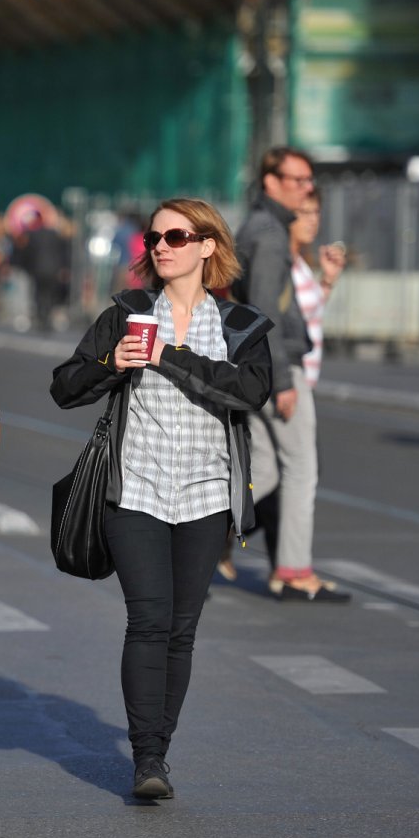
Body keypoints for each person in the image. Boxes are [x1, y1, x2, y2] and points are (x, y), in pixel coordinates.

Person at [50, 198, 272, 800]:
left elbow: (251, 392)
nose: (163, 247)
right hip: (136, 489)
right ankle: (147, 758)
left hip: (206, 495)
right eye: (154, 238)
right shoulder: (125, 314)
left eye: (177, 236)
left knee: (181, 628)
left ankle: (160, 746)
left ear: (207, 246)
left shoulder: (239, 325)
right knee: (148, 621)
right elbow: (64, 387)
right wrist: (109, 363)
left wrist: (168, 357)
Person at [233, 147, 342, 600]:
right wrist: (280, 379)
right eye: (298, 181)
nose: (306, 189)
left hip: (257, 363)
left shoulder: (259, 226)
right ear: (271, 180)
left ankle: (196, 534)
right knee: (301, 469)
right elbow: (262, 311)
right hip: (276, 367)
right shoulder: (272, 234)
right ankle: (294, 572)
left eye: (309, 182)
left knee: (266, 470)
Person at [14, 208, 70, 330]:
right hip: (53, 269)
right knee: (50, 293)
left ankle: (41, 317)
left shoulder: (33, 235)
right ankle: (47, 317)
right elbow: (61, 253)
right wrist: (63, 268)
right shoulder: (54, 234)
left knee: (39, 293)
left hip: (38, 269)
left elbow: (28, 253)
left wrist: (25, 267)